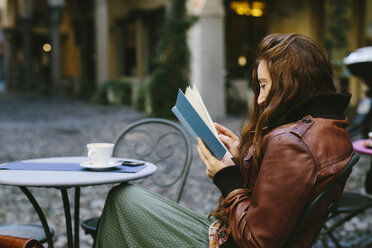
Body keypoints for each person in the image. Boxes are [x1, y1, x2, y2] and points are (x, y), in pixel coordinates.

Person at [94, 33, 353, 248]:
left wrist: (227, 178)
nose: (260, 99)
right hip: (231, 235)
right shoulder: (330, 127)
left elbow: (256, 241)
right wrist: (244, 158)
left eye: (264, 85)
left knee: (123, 199)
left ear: (291, 84)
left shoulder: (292, 143)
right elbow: (283, 197)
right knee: (126, 201)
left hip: (228, 242)